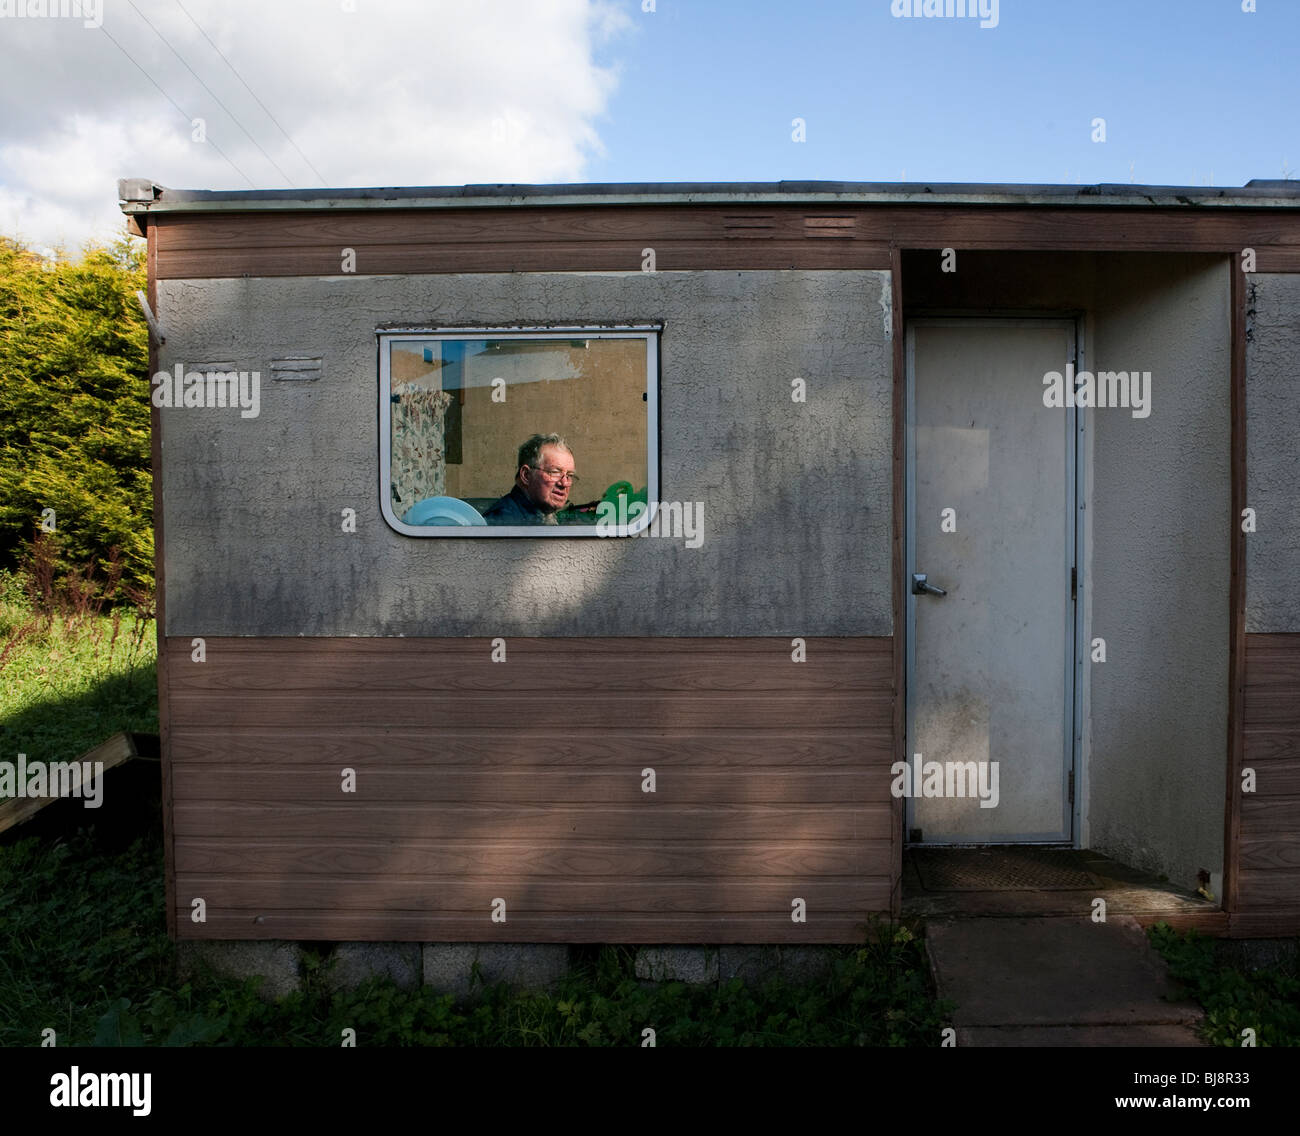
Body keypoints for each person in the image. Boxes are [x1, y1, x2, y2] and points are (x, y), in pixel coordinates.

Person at [481, 433, 578, 525]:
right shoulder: (503, 521)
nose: (564, 483)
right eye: (555, 473)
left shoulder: (544, 517)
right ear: (526, 475)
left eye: (569, 475)